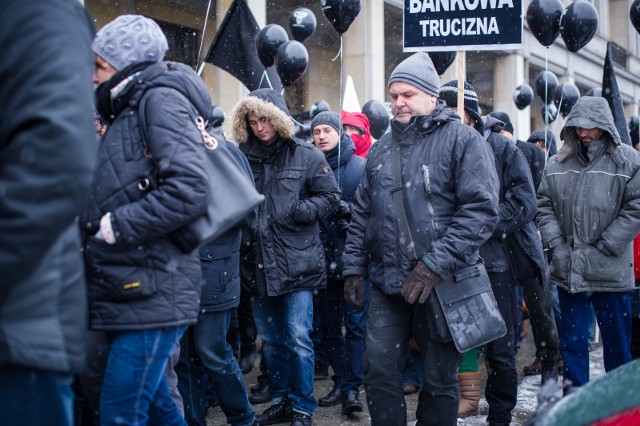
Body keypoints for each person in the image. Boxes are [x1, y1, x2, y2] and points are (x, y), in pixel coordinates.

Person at [342, 52, 500, 426]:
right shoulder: (381, 149)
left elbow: (480, 212)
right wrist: (351, 266)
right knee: (378, 373)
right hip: (386, 283)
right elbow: (361, 213)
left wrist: (433, 265)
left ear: (432, 97)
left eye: (408, 94)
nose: (398, 102)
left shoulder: (463, 141)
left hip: (442, 286)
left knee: (438, 381)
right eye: (394, 95)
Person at [83, 15, 213, 425]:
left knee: (121, 412)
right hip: (134, 286)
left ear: (125, 65)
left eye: (100, 65)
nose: (92, 75)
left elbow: (189, 189)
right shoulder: (130, 104)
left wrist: (116, 225)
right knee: (157, 409)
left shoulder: (157, 99)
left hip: (153, 287)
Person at [0, 2, 96, 425]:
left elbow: (54, 165)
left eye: (105, 67)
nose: (96, 76)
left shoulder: (34, 9)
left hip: (19, 328)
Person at [232, 89, 341, 426]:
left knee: (298, 339)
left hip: (297, 264)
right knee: (274, 341)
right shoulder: (241, 157)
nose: (259, 127)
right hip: (258, 264)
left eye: (264, 119)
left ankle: (302, 406)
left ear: (277, 118)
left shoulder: (306, 155)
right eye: (252, 121)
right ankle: (280, 398)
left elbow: (331, 199)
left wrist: (298, 211)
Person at [536, 96, 640, 391]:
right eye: (579, 126)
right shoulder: (558, 163)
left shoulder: (629, 161)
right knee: (572, 345)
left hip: (610, 274)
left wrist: (606, 246)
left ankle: (618, 409)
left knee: (617, 349)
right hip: (570, 271)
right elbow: (543, 204)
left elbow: (636, 207)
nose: (583, 132)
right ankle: (575, 406)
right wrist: (556, 244)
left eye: (590, 127)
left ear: (605, 126)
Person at [175, 117, 258, 426]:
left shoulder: (223, 151)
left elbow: (249, 213)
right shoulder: (169, 150)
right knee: (182, 358)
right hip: (179, 274)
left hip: (215, 270)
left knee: (212, 351)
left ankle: (242, 419)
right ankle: (193, 420)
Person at [488, 111, 561, 383]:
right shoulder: (485, 151)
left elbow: (539, 196)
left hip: (528, 239)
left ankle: (549, 358)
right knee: (508, 307)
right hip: (499, 242)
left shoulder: (529, 153)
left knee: (540, 304)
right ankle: (509, 356)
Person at [310, 112, 367, 414]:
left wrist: (350, 215)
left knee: (356, 327)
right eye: (316, 131)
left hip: (355, 261)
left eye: (327, 130)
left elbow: (374, 213)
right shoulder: (311, 167)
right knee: (331, 328)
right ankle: (340, 380)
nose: (321, 136)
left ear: (338, 133)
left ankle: (352, 388)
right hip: (322, 261)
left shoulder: (360, 167)